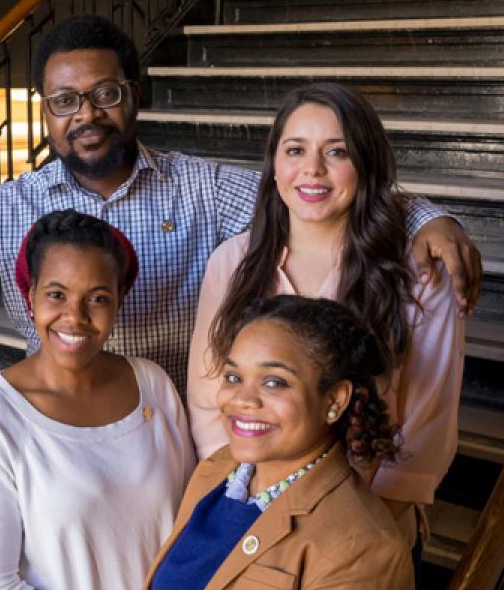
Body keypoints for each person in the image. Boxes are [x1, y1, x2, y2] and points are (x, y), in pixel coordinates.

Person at [0, 15, 480, 398]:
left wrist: (429, 216)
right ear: (45, 112)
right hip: (69, 416)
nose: (86, 114)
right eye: (64, 101)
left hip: (191, 422)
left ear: (132, 97)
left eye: (104, 94)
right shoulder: (11, 209)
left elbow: (315, 191)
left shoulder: (200, 187)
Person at [186, 83, 465, 554]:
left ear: (366, 165)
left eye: (337, 151)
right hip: (249, 516)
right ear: (275, 165)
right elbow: (208, 397)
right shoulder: (231, 263)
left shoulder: (418, 274)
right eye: (295, 150)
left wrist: (350, 523)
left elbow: (427, 422)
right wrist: (248, 506)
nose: (312, 169)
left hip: (367, 523)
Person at [0, 210, 195, 590]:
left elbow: (187, 524)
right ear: (31, 296)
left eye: (97, 298)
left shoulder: (153, 383)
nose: (74, 317)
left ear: (118, 301)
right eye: (57, 294)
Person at [146, 296, 414, 590]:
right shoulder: (216, 470)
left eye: (274, 382)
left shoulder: (365, 548)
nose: (243, 400)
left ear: (335, 400)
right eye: (234, 377)